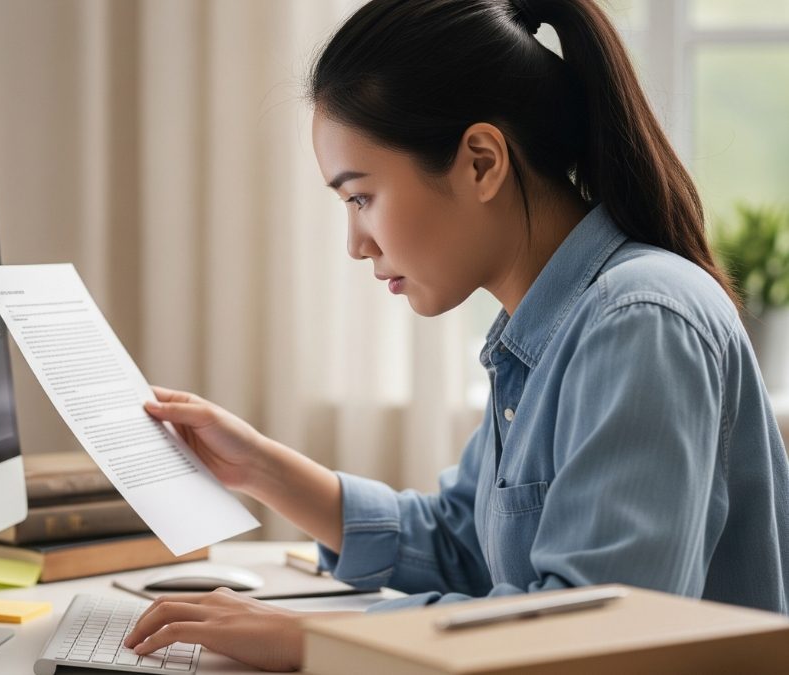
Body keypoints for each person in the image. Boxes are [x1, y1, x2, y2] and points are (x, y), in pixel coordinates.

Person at [124, 0, 789, 670]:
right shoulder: (545, 333)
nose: (356, 243)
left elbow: (601, 634)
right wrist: (258, 467)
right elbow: (460, 543)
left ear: (480, 162)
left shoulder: (639, 322)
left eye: (361, 197)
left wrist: (310, 639)